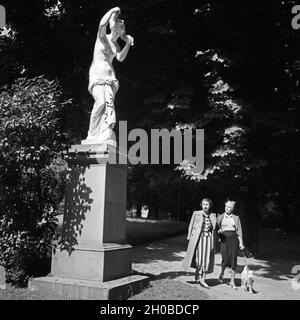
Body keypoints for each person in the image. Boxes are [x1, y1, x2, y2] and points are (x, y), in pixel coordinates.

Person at [85, 7, 134, 143]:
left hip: (111, 79)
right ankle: (92, 133)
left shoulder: (116, 45)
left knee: (108, 106)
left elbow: (120, 58)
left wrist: (128, 44)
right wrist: (113, 10)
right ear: (113, 27)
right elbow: (102, 25)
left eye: (122, 28)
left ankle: (105, 131)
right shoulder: (102, 38)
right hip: (97, 75)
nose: (121, 29)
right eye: (119, 26)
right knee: (100, 102)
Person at [182, 198, 217, 288]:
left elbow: (214, 228)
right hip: (199, 239)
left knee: (206, 259)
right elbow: (191, 224)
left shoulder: (213, 215)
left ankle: (203, 279)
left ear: (210, 206)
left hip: (208, 239)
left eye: (207, 204)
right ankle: (198, 273)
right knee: (199, 258)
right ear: (201, 205)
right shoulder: (196, 213)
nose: (205, 206)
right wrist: (189, 236)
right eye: (204, 204)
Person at [217, 200, 244, 290]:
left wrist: (241, 243)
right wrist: (219, 232)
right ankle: (222, 273)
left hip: (234, 240)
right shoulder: (220, 216)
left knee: (233, 259)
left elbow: (239, 231)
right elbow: (216, 228)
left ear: (232, 209)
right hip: (224, 240)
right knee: (224, 258)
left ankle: (232, 281)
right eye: (226, 206)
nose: (227, 208)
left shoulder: (236, 218)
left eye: (229, 207)